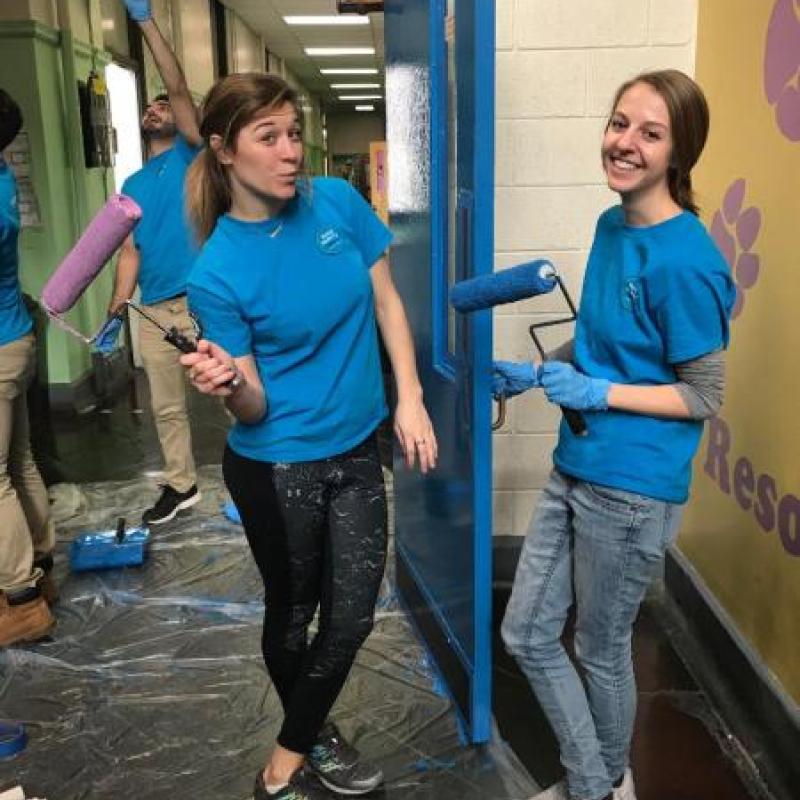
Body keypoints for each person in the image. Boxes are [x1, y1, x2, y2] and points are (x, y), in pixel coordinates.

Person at [180, 72, 438, 800]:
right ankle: (310, 742)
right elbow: (254, 407)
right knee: (293, 615)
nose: (290, 151)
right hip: (277, 467)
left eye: (293, 133)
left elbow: (387, 303)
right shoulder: (216, 274)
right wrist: (229, 383)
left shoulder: (338, 204)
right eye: (269, 137)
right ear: (225, 151)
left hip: (355, 448)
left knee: (351, 617)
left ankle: (282, 759)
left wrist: (410, 398)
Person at [497, 70, 736, 800]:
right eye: (619, 123)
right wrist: (541, 370)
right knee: (526, 632)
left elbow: (703, 394)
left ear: (678, 153)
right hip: (577, 462)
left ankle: (596, 786)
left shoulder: (686, 261)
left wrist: (596, 392)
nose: (625, 142)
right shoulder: (611, 225)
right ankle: (599, 781)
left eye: (650, 133)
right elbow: (607, 343)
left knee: (600, 650)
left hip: (632, 489)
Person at [108, 0, 203, 525]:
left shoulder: (194, 156)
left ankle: (261, 476)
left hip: (200, 301)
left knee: (234, 391)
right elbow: (131, 249)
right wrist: (116, 305)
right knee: (166, 407)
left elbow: (180, 87)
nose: (156, 108)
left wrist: (144, 21)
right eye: (150, 106)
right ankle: (181, 485)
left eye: (163, 105)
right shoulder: (133, 182)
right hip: (154, 308)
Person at [0, 88, 57, 647]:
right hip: (14, 337)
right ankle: (41, 566)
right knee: (18, 461)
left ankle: (19, 600)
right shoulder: (2, 178)